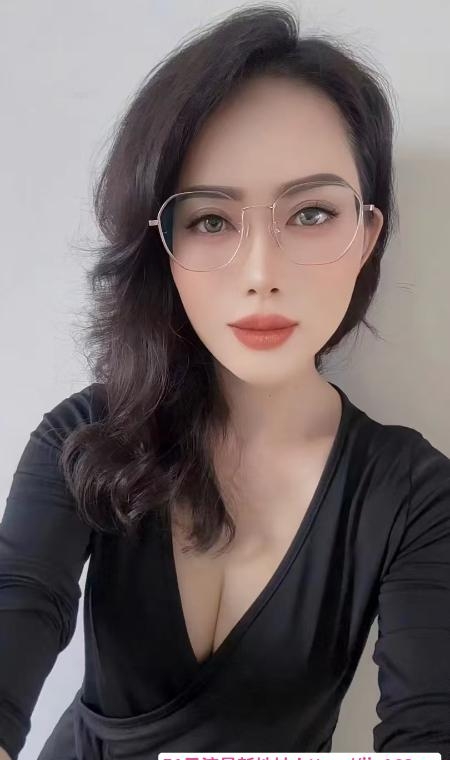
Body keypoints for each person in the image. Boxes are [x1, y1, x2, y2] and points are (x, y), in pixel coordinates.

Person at [1, 5, 449, 760]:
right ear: (163, 246)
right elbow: (19, 606)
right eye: (211, 220)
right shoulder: (84, 436)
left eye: (311, 213)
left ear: (368, 236)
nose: (261, 274)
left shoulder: (413, 495)